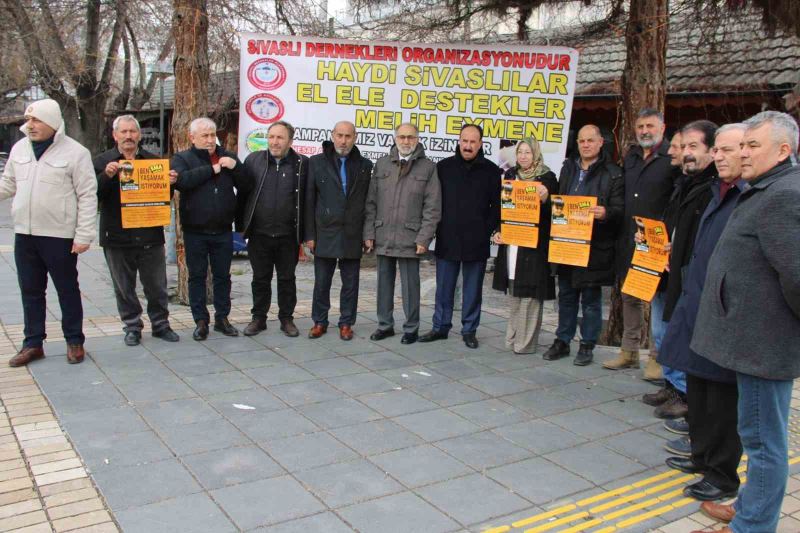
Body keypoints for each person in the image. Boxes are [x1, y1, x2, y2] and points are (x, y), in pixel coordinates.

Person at [689, 112, 800, 533]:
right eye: (744, 144)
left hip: (762, 344)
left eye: (754, 145)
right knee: (756, 434)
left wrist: (779, 328)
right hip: (754, 340)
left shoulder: (783, 195)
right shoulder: (769, 188)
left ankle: (752, 525)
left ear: (783, 151)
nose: (744, 153)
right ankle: (750, 508)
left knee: (763, 442)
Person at [656, 123, 747, 506]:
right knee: (701, 390)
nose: (720, 157)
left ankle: (721, 476)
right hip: (697, 302)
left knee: (722, 400)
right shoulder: (716, 191)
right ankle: (702, 457)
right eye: (719, 150)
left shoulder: (748, 195)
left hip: (725, 315)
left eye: (729, 150)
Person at [0, 99, 97, 366]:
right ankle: (33, 344)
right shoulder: (20, 148)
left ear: (52, 122)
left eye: (36, 120)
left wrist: (84, 235)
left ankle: (74, 341)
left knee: (67, 290)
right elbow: (8, 183)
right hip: (25, 234)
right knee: (30, 290)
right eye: (27, 120)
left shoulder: (76, 153)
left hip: (59, 236)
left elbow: (87, 195)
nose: (29, 125)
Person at [644, 120, 718, 423]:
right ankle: (673, 385)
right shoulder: (686, 182)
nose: (684, 152)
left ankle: (684, 393)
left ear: (712, 151)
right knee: (664, 331)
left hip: (690, 277)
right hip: (669, 268)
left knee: (678, 333)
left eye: (692, 146)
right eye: (682, 146)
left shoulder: (712, 188)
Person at [93, 115, 180, 346]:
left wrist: (169, 184)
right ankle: (132, 326)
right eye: (124, 132)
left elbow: (163, 199)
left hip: (150, 234)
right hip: (116, 236)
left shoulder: (153, 162)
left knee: (157, 285)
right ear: (115, 135)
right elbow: (92, 195)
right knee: (124, 287)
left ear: (139, 135)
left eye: (132, 131)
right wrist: (106, 176)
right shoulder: (102, 162)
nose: (128, 136)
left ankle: (161, 325)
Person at [605, 108, 678, 378]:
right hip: (629, 238)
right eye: (640, 127)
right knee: (630, 296)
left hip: (658, 242)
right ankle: (629, 352)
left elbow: (676, 201)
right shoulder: (632, 156)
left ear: (662, 127)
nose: (645, 131)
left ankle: (657, 358)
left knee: (658, 299)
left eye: (650, 126)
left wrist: (666, 232)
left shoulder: (672, 158)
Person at [542, 125, 624, 366]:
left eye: (590, 140)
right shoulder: (568, 167)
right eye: (581, 141)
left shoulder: (613, 173)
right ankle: (562, 340)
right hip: (567, 243)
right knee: (566, 296)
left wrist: (606, 213)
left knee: (590, 300)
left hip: (594, 246)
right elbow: (559, 199)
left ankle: (587, 345)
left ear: (600, 142)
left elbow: (620, 210)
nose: (586, 145)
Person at [419, 124, 501, 349]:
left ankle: (469, 330)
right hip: (448, 238)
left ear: (480, 144)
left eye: (473, 142)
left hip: (477, 240)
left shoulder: (492, 171)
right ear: (459, 141)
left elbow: (497, 207)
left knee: (472, 290)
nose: (468, 146)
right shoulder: (443, 168)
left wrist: (486, 230)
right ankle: (440, 327)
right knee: (443, 288)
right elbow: (433, 202)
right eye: (465, 141)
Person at [364, 123, 441, 344]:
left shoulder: (428, 168)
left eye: (410, 137)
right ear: (395, 138)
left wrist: (424, 238)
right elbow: (371, 202)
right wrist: (369, 232)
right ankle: (384, 325)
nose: (406, 141)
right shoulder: (382, 164)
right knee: (383, 285)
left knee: (411, 287)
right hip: (384, 234)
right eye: (402, 137)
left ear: (417, 139)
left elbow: (432, 207)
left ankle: (411, 328)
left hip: (411, 237)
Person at [172, 117, 243, 341]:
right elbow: (182, 181)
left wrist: (236, 168)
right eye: (205, 135)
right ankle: (201, 321)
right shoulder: (182, 158)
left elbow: (247, 184)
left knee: (223, 276)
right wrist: (213, 169)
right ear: (192, 138)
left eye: (213, 135)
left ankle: (222, 318)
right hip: (195, 231)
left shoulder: (228, 156)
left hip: (223, 230)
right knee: (197, 277)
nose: (211, 139)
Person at [305, 121, 373, 341]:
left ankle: (346, 323)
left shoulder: (365, 165)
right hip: (324, 232)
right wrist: (310, 235)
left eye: (348, 136)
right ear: (332, 135)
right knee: (322, 282)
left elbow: (368, 202)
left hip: (352, 232)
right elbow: (309, 200)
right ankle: (319, 321)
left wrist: (367, 234)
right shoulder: (316, 163)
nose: (343, 141)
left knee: (351, 283)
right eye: (340, 135)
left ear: (355, 138)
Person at [239, 121, 308, 338]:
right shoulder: (253, 160)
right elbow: (243, 195)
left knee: (287, 279)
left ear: (290, 141)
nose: (274, 142)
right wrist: (241, 227)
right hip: (259, 234)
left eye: (280, 138)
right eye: (271, 137)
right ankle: (258, 318)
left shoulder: (302, 164)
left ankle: (286, 319)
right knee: (260, 279)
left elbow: (308, 200)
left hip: (288, 236)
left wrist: (307, 234)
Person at [491, 138, 557, 354]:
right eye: (520, 152)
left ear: (535, 154)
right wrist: (498, 230)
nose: (523, 156)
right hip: (512, 244)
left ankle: (525, 343)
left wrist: (546, 198)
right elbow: (502, 208)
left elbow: (554, 213)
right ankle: (512, 338)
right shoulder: (510, 175)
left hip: (534, 246)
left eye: (528, 152)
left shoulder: (547, 178)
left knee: (530, 295)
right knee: (514, 293)